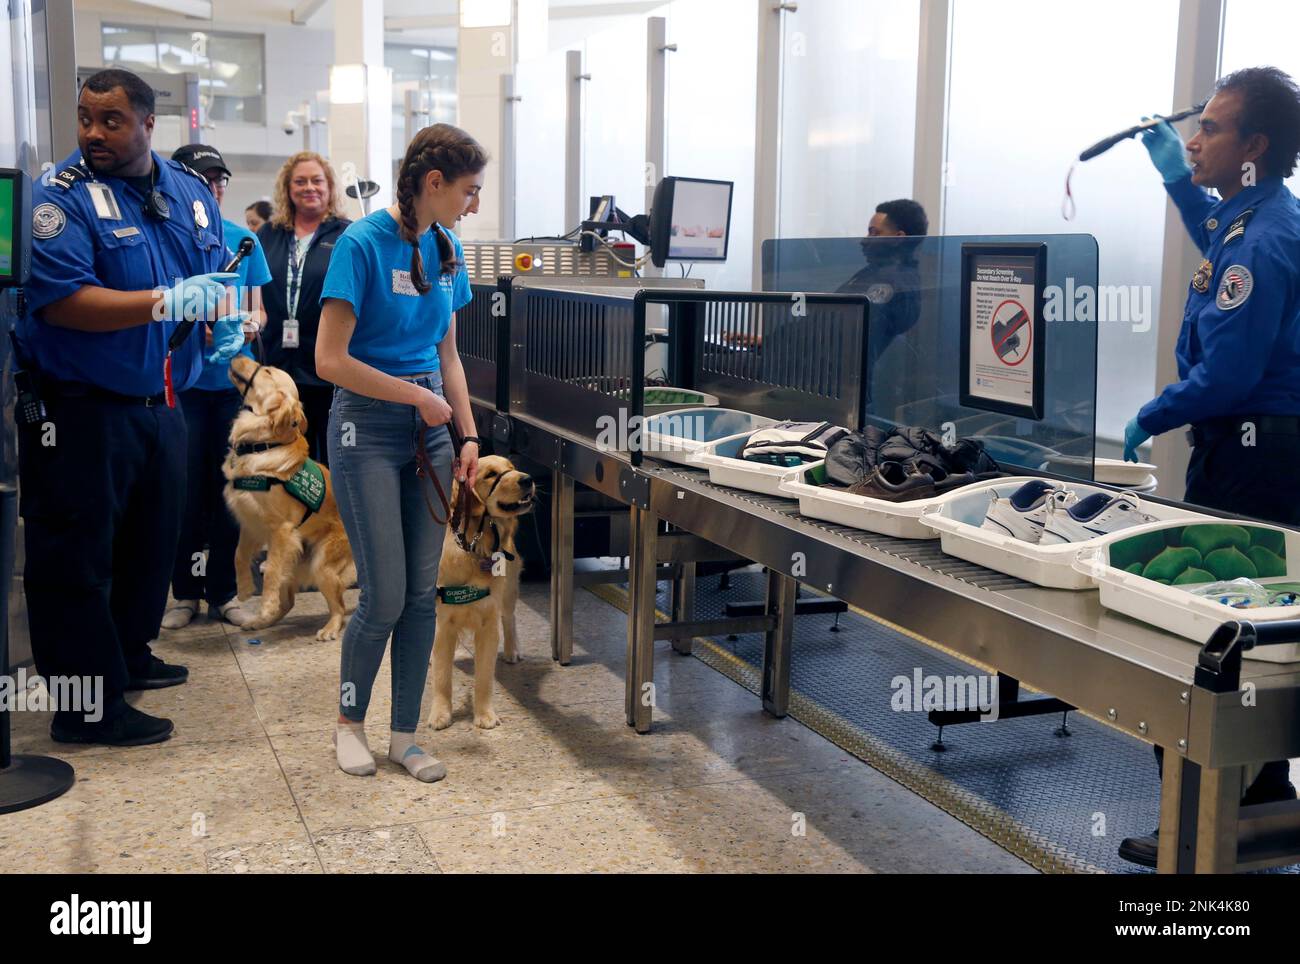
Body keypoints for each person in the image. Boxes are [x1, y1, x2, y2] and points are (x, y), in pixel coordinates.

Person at [17, 68, 247, 746]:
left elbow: (213, 269)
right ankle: (86, 707)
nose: (93, 133)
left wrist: (218, 318)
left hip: (160, 400)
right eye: (86, 119)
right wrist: (166, 302)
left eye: (110, 121)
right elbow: (61, 302)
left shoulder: (188, 193)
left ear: (148, 125)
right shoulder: (58, 200)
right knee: (76, 556)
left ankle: (130, 656)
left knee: (150, 545)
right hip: (80, 406)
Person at [1120, 66, 1300, 867]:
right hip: (1256, 445)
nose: (1194, 140)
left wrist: (1153, 415)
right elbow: (1218, 238)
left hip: (1254, 452)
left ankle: (1208, 825)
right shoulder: (1254, 218)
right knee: (1244, 621)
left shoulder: (1262, 240)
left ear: (1253, 147)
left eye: (1211, 129)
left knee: (1211, 624)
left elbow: (1226, 375)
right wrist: (1173, 178)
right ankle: (1256, 806)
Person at [316, 123, 484, 782]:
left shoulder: (447, 248)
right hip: (366, 431)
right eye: (468, 191)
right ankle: (348, 725)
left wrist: (467, 435)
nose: (473, 204)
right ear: (433, 184)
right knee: (383, 596)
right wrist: (415, 401)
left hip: (433, 432)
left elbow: (448, 355)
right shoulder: (360, 244)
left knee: (420, 595)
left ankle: (405, 736)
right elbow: (330, 360)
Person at [161, 144, 272, 630]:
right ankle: (184, 591)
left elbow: (260, 309)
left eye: (218, 181)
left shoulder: (242, 240)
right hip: (181, 384)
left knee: (232, 489)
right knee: (185, 490)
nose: (213, 189)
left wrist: (245, 324)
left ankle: (225, 591)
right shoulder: (163, 238)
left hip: (232, 384)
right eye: (202, 181)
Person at [257, 152, 350, 463]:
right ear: (287, 188)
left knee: (325, 459)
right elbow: (252, 287)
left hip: (327, 368)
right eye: (300, 181)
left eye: (316, 180)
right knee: (279, 455)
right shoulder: (268, 234)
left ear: (329, 187)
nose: (309, 187)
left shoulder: (347, 235)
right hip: (275, 364)